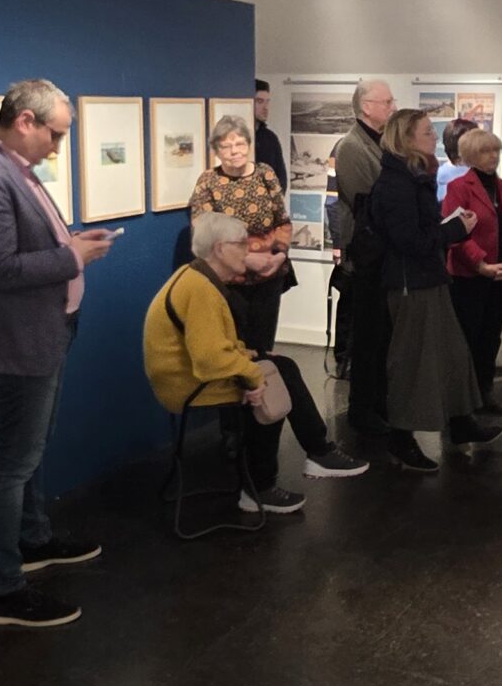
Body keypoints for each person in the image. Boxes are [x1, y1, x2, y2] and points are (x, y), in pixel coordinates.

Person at [0, 80, 118, 629]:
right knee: (12, 462)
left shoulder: (14, 170)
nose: (57, 146)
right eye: (56, 134)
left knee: (29, 450)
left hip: (42, 331)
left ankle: (33, 539)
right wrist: (73, 258)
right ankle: (2, 588)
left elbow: (27, 247)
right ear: (25, 120)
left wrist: (72, 244)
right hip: (17, 340)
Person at [144, 213, 365, 512]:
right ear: (220, 249)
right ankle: (262, 486)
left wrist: (249, 356)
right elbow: (209, 358)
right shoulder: (199, 289)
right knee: (270, 380)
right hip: (187, 383)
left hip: (191, 373)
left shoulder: (198, 278)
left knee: (279, 367)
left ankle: (314, 454)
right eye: (241, 244)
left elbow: (216, 344)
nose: (248, 251)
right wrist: (252, 373)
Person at [363, 110, 501, 472]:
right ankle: (401, 437)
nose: (434, 137)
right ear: (407, 139)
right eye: (427, 132)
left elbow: (419, 233)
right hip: (411, 283)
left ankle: (461, 421)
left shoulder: (413, 177)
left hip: (428, 278)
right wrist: (454, 230)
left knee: (453, 352)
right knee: (413, 361)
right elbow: (409, 241)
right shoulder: (396, 184)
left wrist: (448, 227)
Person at [442, 126, 502, 413]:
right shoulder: (459, 189)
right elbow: (455, 235)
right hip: (470, 278)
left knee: (491, 337)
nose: (493, 156)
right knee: (468, 338)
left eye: (496, 150)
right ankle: (463, 397)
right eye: (485, 151)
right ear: (470, 155)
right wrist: (481, 264)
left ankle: (484, 390)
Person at [189, 115, 293, 355]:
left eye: (239, 144)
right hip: (230, 282)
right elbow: (205, 236)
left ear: (248, 144)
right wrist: (247, 259)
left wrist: (278, 256)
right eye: (226, 146)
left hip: (269, 277)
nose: (234, 151)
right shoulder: (208, 182)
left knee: (263, 348)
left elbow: (283, 221)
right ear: (216, 150)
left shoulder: (265, 174)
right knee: (234, 348)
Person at [329, 79, 395, 434]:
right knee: (368, 337)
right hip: (367, 255)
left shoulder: (378, 142)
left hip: (381, 255)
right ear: (366, 106)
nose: (392, 107)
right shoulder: (353, 147)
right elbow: (368, 198)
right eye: (387, 102)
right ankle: (363, 409)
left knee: (381, 336)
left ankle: (378, 404)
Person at [249, 79, 286, 190]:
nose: (265, 107)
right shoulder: (236, 137)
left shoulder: (270, 139)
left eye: (267, 102)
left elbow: (281, 179)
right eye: (260, 101)